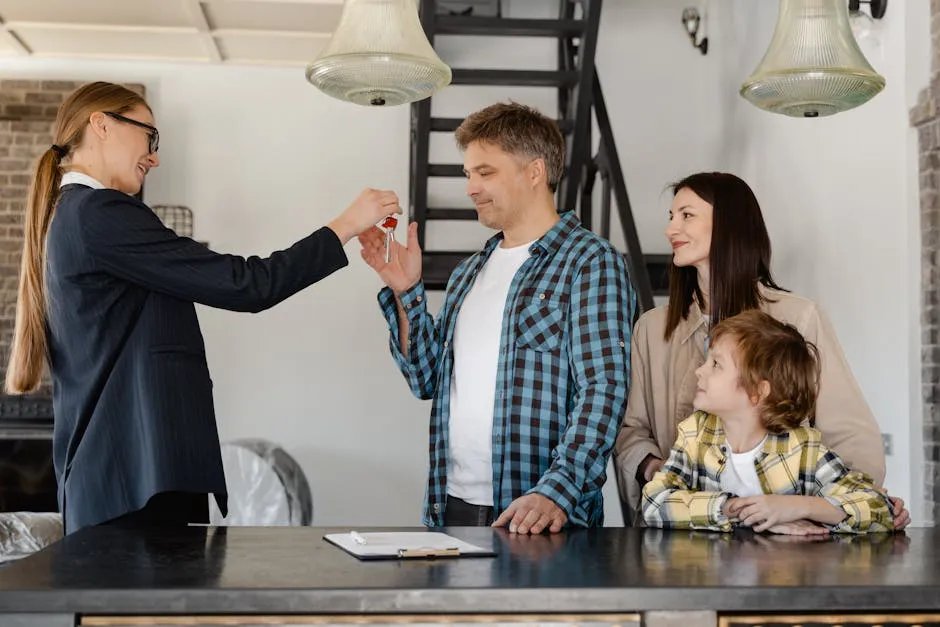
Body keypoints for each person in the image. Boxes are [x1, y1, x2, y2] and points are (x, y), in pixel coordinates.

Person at [4, 81, 401, 534]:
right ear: (101, 125)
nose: (154, 157)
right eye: (149, 136)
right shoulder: (100, 213)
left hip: (122, 485)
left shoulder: (74, 214)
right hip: (133, 488)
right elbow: (248, 284)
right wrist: (345, 224)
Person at [359, 102, 636, 533]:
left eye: (485, 173)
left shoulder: (590, 262)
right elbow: (424, 378)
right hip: (450, 505)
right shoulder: (468, 272)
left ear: (534, 172)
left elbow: (604, 389)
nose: (471, 187)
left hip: (542, 515)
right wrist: (405, 291)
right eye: (468, 174)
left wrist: (556, 491)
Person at [613, 171, 908, 528]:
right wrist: (660, 471)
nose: (671, 229)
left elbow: (848, 434)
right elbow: (632, 431)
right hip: (685, 538)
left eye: (687, 215)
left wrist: (851, 506)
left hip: (789, 541)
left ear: (729, 225)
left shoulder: (799, 317)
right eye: (671, 217)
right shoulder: (650, 329)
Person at [642, 310, 894, 535]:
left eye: (716, 364)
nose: (700, 370)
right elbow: (654, 502)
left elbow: (878, 507)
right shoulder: (695, 435)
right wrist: (735, 509)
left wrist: (794, 507)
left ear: (758, 392)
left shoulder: (803, 449)